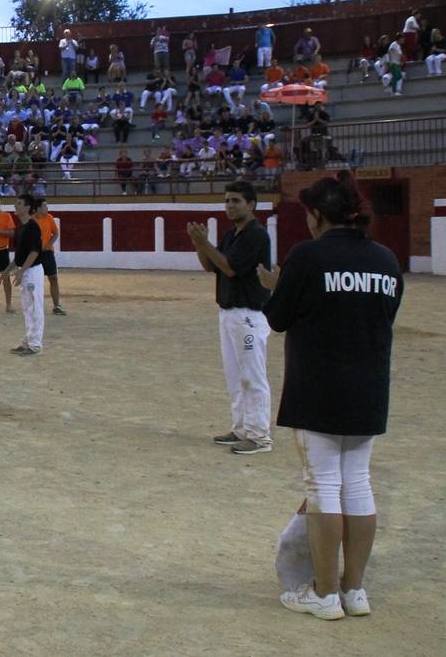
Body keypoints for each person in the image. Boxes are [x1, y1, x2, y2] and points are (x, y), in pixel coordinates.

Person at [260, 172, 403, 621]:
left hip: (318, 387)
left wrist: (276, 288)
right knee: (357, 484)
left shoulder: (307, 256)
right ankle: (353, 591)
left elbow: (278, 319)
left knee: (323, 486)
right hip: (369, 388)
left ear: (319, 215)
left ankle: (323, 595)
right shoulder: (386, 260)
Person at [187, 181, 273, 456]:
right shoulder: (234, 234)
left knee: (252, 375)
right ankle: (241, 428)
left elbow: (231, 268)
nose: (229, 205)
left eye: (235, 200)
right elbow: (210, 265)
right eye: (227, 200)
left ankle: (259, 435)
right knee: (235, 375)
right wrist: (199, 244)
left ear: (251, 205)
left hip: (248, 314)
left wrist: (204, 242)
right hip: (229, 313)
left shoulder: (256, 235)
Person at [1, 195, 44, 354]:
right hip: (25, 270)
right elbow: (19, 255)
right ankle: (28, 341)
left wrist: (21, 271)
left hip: (32, 271)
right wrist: (8, 270)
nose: (15, 206)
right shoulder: (20, 228)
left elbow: (34, 252)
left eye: (19, 204)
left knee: (34, 307)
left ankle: (35, 344)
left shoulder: (33, 226)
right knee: (27, 307)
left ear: (27, 207)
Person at [35, 202, 67, 315]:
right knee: (35, 281)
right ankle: (35, 306)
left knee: (53, 278)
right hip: (35, 254)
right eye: (44, 206)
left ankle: (56, 306)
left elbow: (56, 233)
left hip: (48, 252)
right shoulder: (32, 220)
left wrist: (50, 244)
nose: (47, 208)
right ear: (38, 208)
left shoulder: (49, 218)